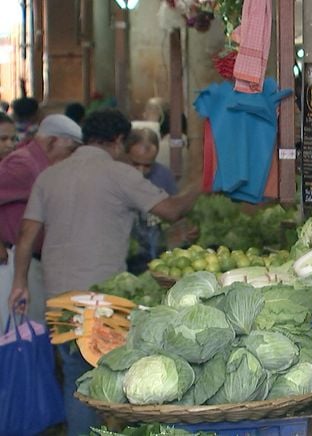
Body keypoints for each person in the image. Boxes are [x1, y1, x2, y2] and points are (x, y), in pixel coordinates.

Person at [9, 108, 202, 436]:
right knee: (109, 378)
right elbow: (171, 211)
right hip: (102, 298)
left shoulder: (50, 176)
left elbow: (26, 236)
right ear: (118, 141)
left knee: (75, 377)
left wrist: (20, 284)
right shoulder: (119, 175)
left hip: (59, 294)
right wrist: (202, 182)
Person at [0, 114, 82, 324]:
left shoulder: (37, 162)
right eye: (70, 150)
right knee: (19, 335)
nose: (73, 157)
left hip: (30, 261)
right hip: (12, 262)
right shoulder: (23, 163)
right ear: (52, 141)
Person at [124, 128, 178, 274]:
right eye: (135, 164)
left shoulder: (164, 176)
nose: (141, 171)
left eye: (148, 165)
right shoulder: (115, 176)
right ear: (126, 155)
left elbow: (174, 212)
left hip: (157, 250)